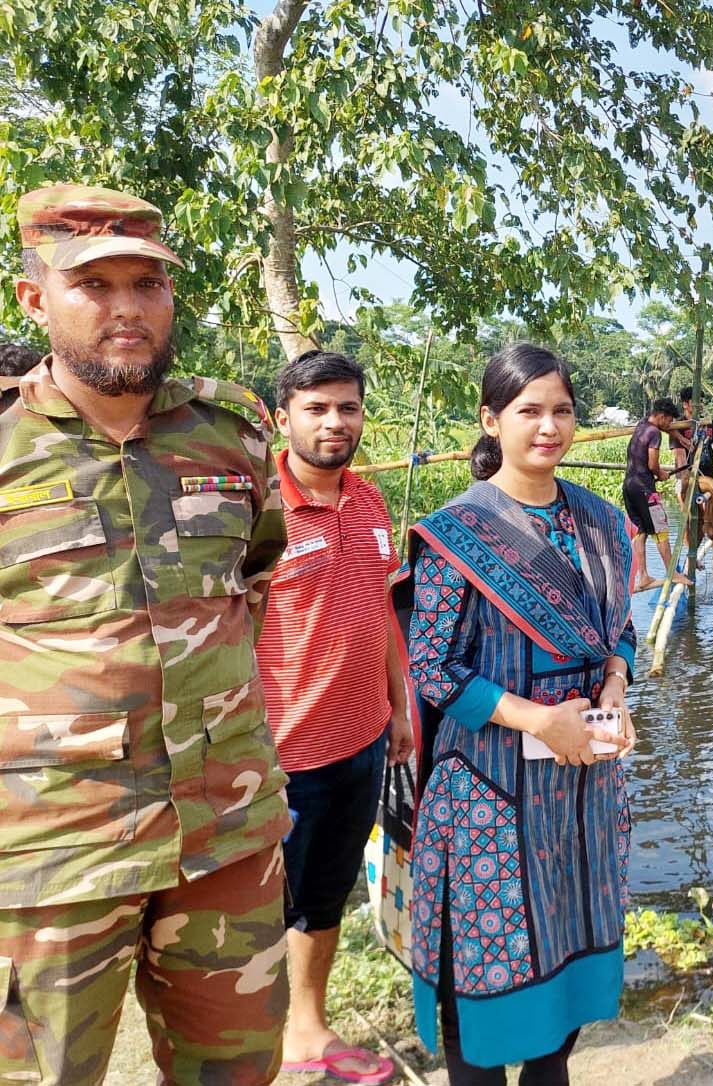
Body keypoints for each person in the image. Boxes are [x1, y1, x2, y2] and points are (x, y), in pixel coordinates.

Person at [0, 184, 289, 1084]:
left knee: (237, 1074)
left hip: (226, 837)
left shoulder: (230, 434)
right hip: (53, 850)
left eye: (148, 284)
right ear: (34, 297)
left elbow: (257, 582)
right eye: (95, 285)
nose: (127, 307)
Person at [403, 344, 638, 1085]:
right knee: (483, 986)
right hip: (489, 793)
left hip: (581, 791)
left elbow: (618, 627)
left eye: (562, 410)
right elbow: (433, 667)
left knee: (563, 984)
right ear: (491, 420)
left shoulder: (600, 522)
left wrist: (614, 683)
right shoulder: (458, 532)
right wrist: (538, 720)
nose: (549, 427)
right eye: (529, 411)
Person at [257, 349, 416, 1084]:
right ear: (283, 417)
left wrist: (401, 704)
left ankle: (307, 1030)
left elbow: (384, 608)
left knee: (325, 896)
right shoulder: (258, 506)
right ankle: (240, 1051)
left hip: (362, 738)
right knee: (256, 915)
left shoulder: (371, 500)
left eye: (347, 407)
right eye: (316, 408)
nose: (334, 421)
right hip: (277, 754)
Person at [622, 397, 689, 592]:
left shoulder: (642, 425)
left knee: (641, 531)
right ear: (661, 416)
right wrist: (662, 474)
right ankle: (672, 573)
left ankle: (643, 576)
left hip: (629, 485)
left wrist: (681, 437)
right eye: (668, 420)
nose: (669, 425)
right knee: (660, 527)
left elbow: (665, 428)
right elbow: (652, 464)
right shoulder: (654, 433)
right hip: (644, 487)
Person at [677, 386, 713, 601]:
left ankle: (710, 546)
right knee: (690, 520)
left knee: (708, 514)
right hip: (687, 480)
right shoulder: (679, 427)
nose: (697, 405)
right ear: (685, 403)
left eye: (700, 401)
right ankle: (692, 556)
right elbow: (681, 458)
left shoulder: (710, 425)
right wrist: (686, 481)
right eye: (693, 401)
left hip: (708, 479)